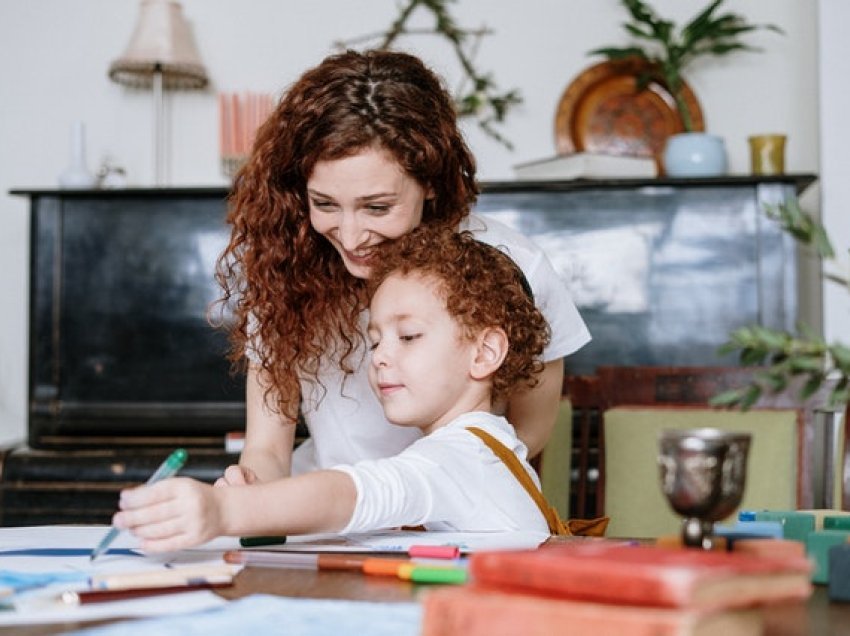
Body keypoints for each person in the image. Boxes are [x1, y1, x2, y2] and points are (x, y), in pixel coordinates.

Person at [214, 48, 590, 489]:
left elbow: (528, 433)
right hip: (327, 515)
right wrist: (250, 486)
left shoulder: (515, 268)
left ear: (430, 181)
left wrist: (424, 495)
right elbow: (268, 449)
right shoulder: (285, 269)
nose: (351, 238)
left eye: (377, 207)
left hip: (454, 507)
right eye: (325, 204)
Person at [114, 227, 557, 550]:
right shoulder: (483, 445)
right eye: (374, 340)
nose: (380, 356)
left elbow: (353, 493)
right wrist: (261, 502)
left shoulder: (459, 456)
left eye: (408, 337)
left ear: (484, 353)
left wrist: (224, 511)